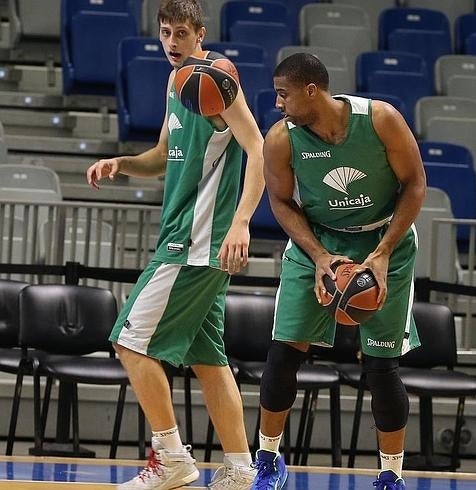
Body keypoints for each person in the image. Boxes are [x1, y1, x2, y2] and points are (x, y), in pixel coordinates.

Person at [86, 1, 264, 489]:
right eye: (165, 32)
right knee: (209, 358)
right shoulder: (175, 83)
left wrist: (242, 221)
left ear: (200, 34)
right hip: (189, 240)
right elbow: (164, 154)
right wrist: (122, 163)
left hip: (196, 241)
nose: (171, 42)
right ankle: (241, 470)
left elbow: (258, 147)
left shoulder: (218, 80)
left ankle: (170, 457)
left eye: (181, 33)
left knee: (129, 341)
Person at [251, 53, 426, 490]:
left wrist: (383, 253)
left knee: (381, 366)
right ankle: (267, 462)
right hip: (317, 241)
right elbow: (280, 202)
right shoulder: (281, 139)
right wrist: (317, 255)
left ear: (312, 90)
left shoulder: (381, 119)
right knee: (283, 352)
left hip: (384, 239)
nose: (277, 103)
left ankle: (391, 476)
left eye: (284, 94)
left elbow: (415, 184)